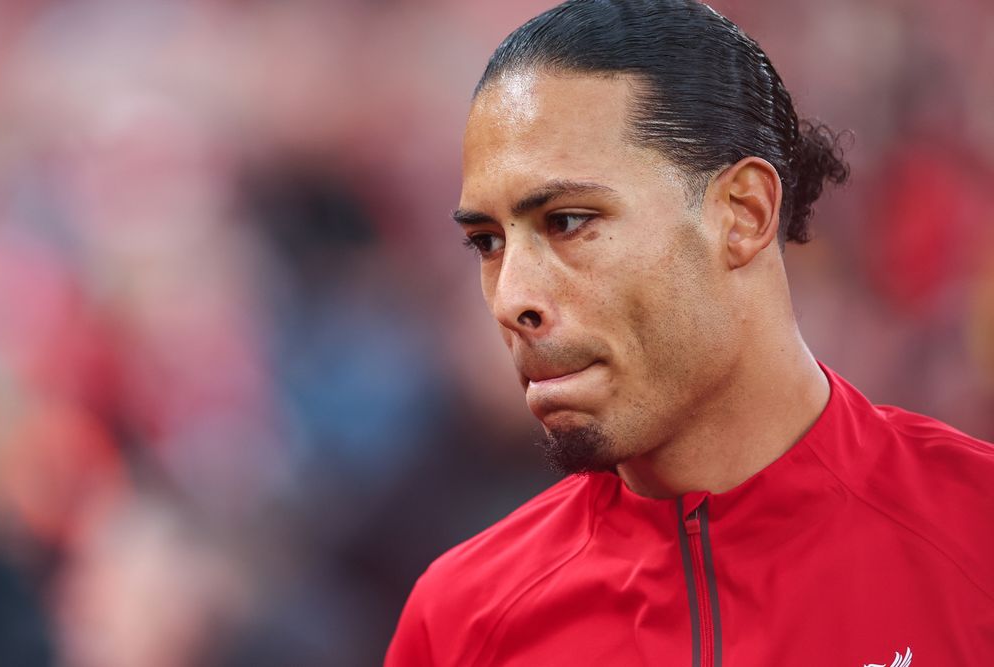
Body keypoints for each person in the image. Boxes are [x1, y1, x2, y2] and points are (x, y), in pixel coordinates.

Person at [385, 1, 994, 665]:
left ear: (743, 213)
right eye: (487, 241)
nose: (512, 299)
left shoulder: (976, 535)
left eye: (567, 221)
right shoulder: (459, 621)